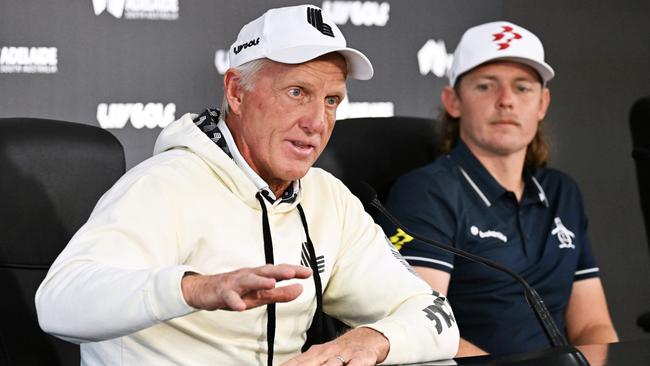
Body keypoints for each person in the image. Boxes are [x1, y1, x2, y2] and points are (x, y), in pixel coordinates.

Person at [35, 4, 459, 366]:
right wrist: (193, 288)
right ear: (236, 92)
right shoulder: (165, 184)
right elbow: (57, 303)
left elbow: (434, 317)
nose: (317, 122)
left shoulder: (328, 197)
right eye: (297, 92)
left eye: (331, 101)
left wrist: (372, 341)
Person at [379, 21, 618, 357]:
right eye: (485, 87)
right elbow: (422, 329)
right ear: (453, 101)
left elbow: (592, 325)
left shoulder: (563, 191)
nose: (506, 101)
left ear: (542, 104)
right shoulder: (425, 192)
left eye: (522, 88)